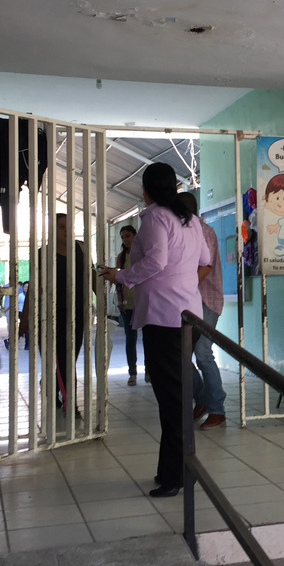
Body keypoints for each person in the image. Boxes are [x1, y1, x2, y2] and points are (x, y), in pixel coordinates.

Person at [101, 163, 209, 498]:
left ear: (146, 190)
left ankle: (176, 476)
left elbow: (156, 261)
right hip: (189, 316)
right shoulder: (190, 220)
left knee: (171, 400)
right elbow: (204, 260)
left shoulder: (155, 218)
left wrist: (120, 276)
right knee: (176, 397)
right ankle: (173, 470)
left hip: (164, 319)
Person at [18, 214, 91, 416]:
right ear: (52, 230)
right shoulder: (43, 254)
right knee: (62, 359)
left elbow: (91, 276)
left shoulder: (81, 249)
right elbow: (34, 288)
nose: (66, 230)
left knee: (70, 359)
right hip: (51, 315)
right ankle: (70, 404)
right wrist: (24, 319)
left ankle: (52, 386)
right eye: (61, 227)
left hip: (77, 314)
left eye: (69, 226)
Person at [179, 192, 227, 430]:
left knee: (203, 353)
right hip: (191, 302)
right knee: (182, 355)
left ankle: (217, 409)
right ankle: (203, 399)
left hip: (207, 301)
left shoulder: (203, 232)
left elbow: (204, 267)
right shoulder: (186, 231)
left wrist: (181, 285)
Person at [116, 225, 142, 386]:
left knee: (149, 337)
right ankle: (132, 372)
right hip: (128, 303)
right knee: (130, 337)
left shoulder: (143, 254)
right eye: (122, 237)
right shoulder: (122, 257)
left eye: (127, 236)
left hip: (143, 301)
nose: (125, 240)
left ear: (135, 235)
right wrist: (120, 300)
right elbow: (118, 280)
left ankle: (150, 371)